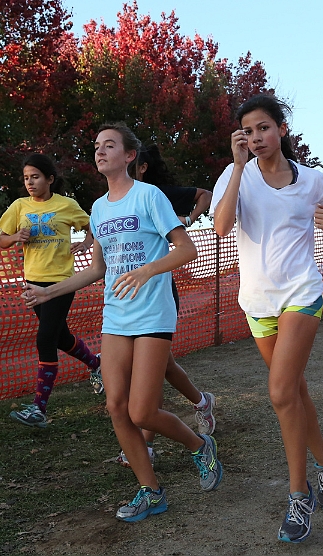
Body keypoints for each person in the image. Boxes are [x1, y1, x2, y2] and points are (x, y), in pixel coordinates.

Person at [23, 122, 223, 523]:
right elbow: (98, 268)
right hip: (116, 314)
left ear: (129, 156)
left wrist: (148, 271)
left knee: (143, 412)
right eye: (97, 146)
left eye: (109, 145)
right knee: (116, 406)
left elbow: (187, 250)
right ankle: (151, 491)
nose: (100, 151)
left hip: (152, 311)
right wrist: (50, 292)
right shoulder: (98, 208)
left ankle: (199, 445)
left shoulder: (149, 196)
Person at [211, 94, 323, 544]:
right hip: (257, 305)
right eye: (248, 131)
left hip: (302, 295)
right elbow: (222, 226)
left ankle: (298, 494)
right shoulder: (237, 176)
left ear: (281, 130)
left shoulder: (312, 180)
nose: (256, 137)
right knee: (295, 391)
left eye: (264, 128)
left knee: (280, 391)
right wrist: (234, 168)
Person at [112, 143, 216, 469]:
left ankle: (147, 444)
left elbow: (205, 194)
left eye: (127, 158)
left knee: (151, 374)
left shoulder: (158, 194)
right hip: (127, 300)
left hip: (157, 293)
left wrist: (189, 217)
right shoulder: (113, 202)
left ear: (140, 166)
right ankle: (202, 402)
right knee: (163, 368)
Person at [0, 153, 101, 428]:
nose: (30, 182)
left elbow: (93, 225)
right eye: (26, 178)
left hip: (61, 282)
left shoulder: (66, 205)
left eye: (36, 177)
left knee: (45, 339)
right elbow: (0, 240)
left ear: (50, 179)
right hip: (32, 281)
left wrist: (88, 241)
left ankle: (39, 409)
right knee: (60, 336)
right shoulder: (19, 206)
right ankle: (96, 364)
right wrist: (14, 237)